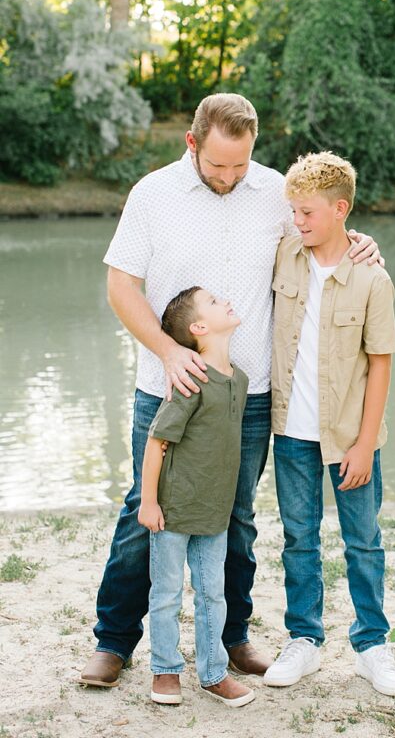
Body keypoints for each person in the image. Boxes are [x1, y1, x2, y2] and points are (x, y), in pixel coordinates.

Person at [80, 93, 379, 689]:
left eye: (240, 165)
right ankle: (114, 642)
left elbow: (322, 229)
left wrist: (360, 241)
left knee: (236, 519)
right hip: (167, 388)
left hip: (251, 396)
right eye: (218, 165)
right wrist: (169, 351)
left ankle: (232, 637)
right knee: (145, 513)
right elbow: (121, 286)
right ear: (192, 143)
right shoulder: (152, 194)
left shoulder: (273, 191)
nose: (230, 176)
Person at [264, 151, 395, 698]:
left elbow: (381, 362)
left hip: (351, 437)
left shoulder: (372, 279)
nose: (297, 222)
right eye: (293, 212)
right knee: (299, 539)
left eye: (307, 213)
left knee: (363, 542)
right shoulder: (285, 254)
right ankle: (304, 639)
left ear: (340, 208)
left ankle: (372, 645)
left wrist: (365, 444)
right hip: (292, 434)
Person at [139, 286, 255, 708]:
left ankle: (213, 673)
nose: (226, 299)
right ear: (199, 327)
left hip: (215, 510)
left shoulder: (238, 380)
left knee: (213, 594)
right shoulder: (191, 379)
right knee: (167, 592)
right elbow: (158, 440)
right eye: (212, 301)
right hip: (172, 509)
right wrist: (149, 502)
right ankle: (166, 670)